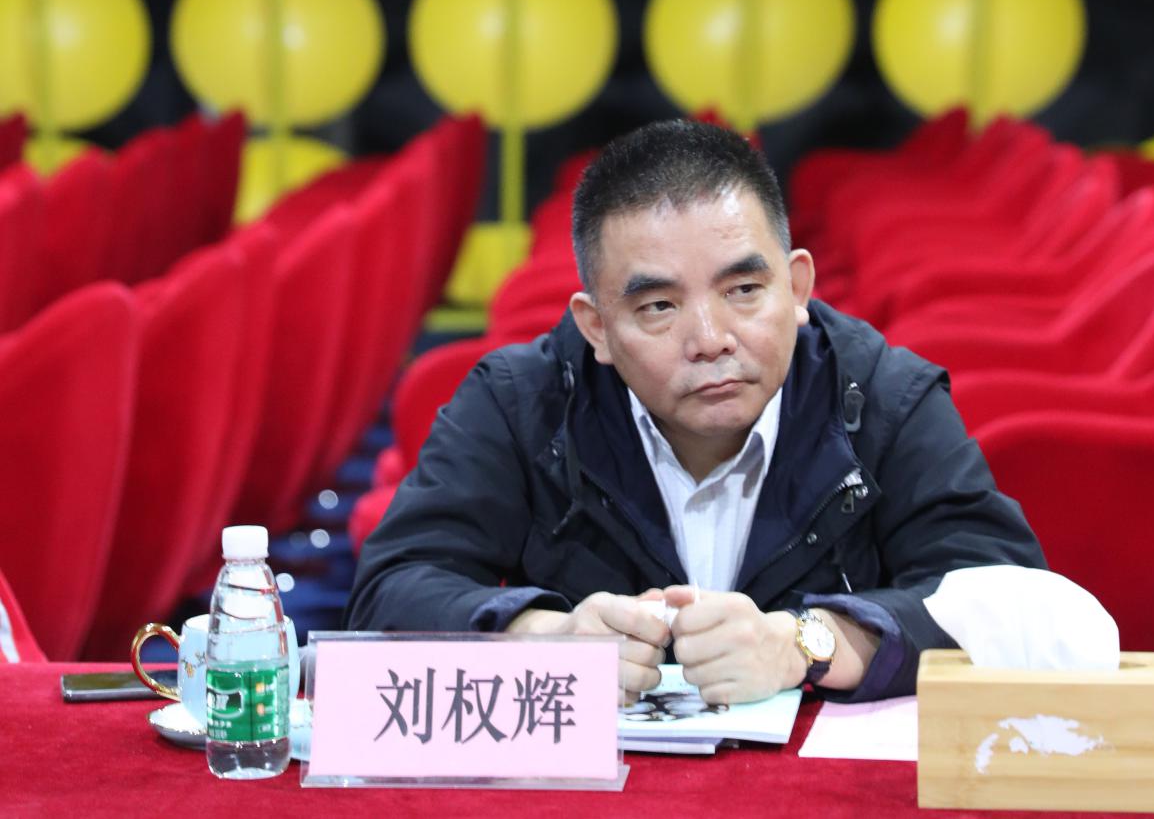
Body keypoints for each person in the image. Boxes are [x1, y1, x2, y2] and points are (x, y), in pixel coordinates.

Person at [345, 120, 1046, 705]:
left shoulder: (885, 396)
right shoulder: (520, 402)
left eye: (743, 291)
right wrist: (543, 638)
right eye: (659, 306)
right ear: (596, 328)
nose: (711, 340)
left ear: (797, 288)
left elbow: (1009, 601)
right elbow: (390, 592)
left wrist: (810, 642)